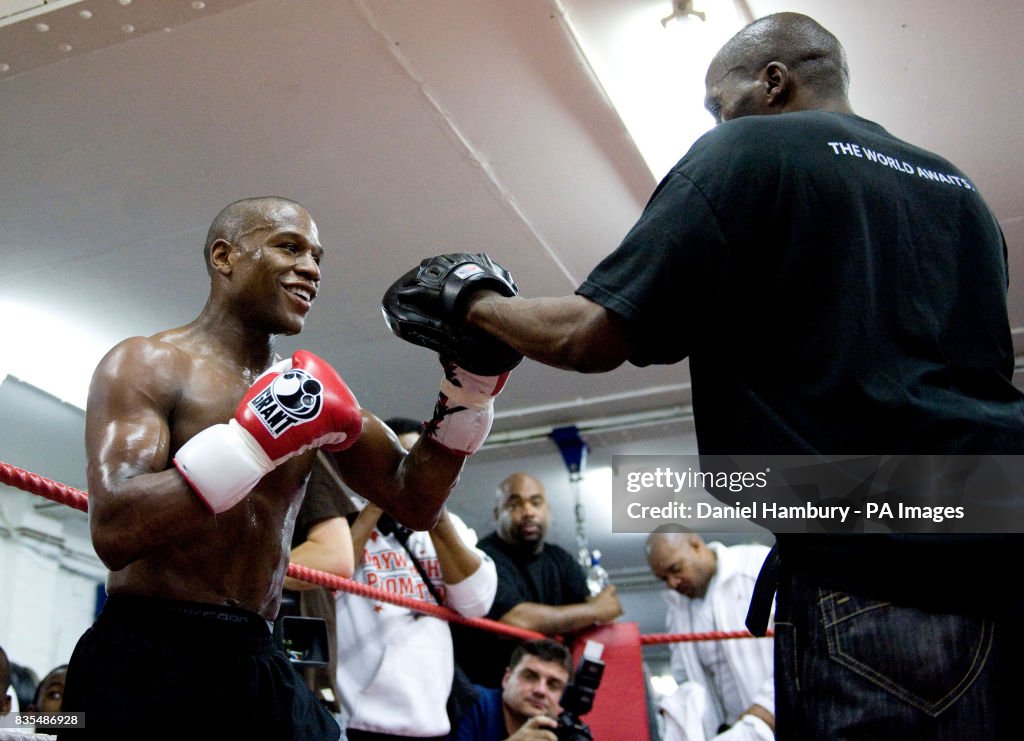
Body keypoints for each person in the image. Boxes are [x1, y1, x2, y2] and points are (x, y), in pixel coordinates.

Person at [386, 13, 1024, 738]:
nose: (719, 119)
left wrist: (475, 302)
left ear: (773, 82)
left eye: (720, 103)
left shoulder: (750, 148)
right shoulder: (964, 195)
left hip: (874, 563)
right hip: (999, 533)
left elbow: (594, 332)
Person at [61, 197, 511, 740]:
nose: (312, 268)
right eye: (289, 246)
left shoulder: (313, 391)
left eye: (317, 256)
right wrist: (255, 442)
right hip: (148, 648)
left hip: (256, 649)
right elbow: (115, 530)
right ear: (225, 257)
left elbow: (415, 501)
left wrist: (470, 390)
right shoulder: (146, 363)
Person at [290, 416, 498, 740]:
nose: (412, 473)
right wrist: (382, 496)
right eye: (399, 462)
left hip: (434, 721)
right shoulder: (341, 521)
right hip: (362, 720)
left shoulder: (454, 527)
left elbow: (477, 602)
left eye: (418, 463)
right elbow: (324, 588)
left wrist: (431, 506)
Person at [453, 472, 622, 688]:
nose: (528, 512)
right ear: (497, 514)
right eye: (515, 505)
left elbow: (599, 616)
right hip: (492, 691)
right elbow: (514, 620)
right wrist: (594, 611)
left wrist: (597, 612)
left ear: (548, 510)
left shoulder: (560, 559)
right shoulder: (483, 557)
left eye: (536, 502)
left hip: (548, 691)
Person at [646, 531, 773, 740]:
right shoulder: (677, 610)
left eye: (675, 569)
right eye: (663, 579)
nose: (672, 583)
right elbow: (683, 677)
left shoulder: (756, 565)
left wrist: (766, 710)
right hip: (730, 732)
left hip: (783, 720)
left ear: (696, 545)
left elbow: (802, 647)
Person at [448, 638, 571, 741]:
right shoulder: (471, 701)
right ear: (506, 679)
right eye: (530, 677)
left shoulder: (568, 730)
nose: (541, 690)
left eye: (553, 685)